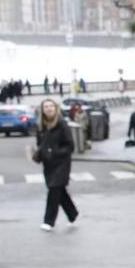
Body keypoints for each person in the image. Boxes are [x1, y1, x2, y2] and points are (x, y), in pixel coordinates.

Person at [32, 98, 79, 232]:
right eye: (46, 107)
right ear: (42, 110)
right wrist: (39, 155)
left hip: (61, 163)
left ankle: (49, 221)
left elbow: (70, 146)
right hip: (48, 164)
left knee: (54, 190)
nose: (48, 109)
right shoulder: (40, 126)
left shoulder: (61, 124)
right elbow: (40, 144)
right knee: (59, 191)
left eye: (51, 106)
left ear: (55, 108)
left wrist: (55, 152)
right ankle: (72, 214)